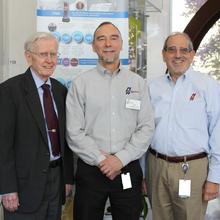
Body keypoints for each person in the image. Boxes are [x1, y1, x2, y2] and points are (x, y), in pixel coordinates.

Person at [66, 21, 155, 220]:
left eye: (113, 38)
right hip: (91, 169)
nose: (108, 43)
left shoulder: (137, 83)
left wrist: (120, 159)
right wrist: (101, 160)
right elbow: (74, 131)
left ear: (121, 44)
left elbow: (146, 127)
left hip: (127, 169)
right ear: (93, 46)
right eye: (101, 39)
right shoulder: (80, 84)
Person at [0, 32, 74, 220]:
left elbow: (64, 140)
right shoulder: (9, 91)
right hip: (23, 188)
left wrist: (66, 179)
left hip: (55, 183)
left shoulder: (60, 90)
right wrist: (7, 188)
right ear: (28, 56)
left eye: (53, 54)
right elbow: (3, 145)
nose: (49, 60)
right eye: (43, 54)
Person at [146, 32, 220, 220]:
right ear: (163, 55)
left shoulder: (208, 86)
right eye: (171, 50)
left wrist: (215, 178)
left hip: (193, 169)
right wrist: (143, 173)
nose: (177, 55)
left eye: (183, 50)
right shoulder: (153, 87)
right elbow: (144, 130)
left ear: (192, 54)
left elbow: (218, 131)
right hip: (156, 166)